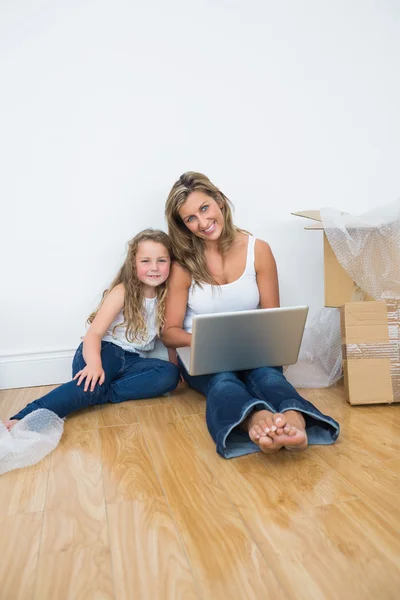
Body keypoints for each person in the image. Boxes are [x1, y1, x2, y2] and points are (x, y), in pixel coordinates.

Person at [162, 172, 340, 459]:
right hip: (203, 357)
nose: (203, 222)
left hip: (252, 351)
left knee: (269, 376)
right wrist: (207, 341)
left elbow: (273, 319)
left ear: (219, 201)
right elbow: (169, 331)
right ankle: (253, 420)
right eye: (190, 218)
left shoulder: (258, 250)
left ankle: (294, 417)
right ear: (183, 225)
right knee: (223, 381)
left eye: (205, 208)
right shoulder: (182, 264)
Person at [4, 229, 180, 430]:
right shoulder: (123, 291)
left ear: (171, 263)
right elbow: (93, 334)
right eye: (146, 261)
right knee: (90, 385)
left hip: (133, 361)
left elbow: (169, 336)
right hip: (104, 351)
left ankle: (101, 392)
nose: (154, 268)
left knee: (169, 375)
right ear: (133, 263)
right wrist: (95, 365)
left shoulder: (169, 296)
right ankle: (24, 418)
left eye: (162, 261)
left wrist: (176, 367)